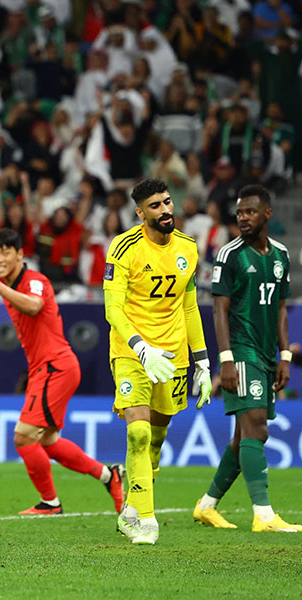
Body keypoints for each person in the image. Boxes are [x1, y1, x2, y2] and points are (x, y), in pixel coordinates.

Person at [0, 229, 125, 517]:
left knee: (24, 437)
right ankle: (109, 476)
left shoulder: (34, 281)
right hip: (46, 369)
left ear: (20, 254)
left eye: (5, 251)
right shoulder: (7, 281)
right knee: (46, 441)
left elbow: (34, 306)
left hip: (55, 367)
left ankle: (50, 503)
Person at [103, 178, 212, 545]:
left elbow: (190, 306)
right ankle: (146, 520)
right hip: (132, 352)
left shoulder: (188, 248)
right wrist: (140, 346)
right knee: (137, 431)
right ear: (140, 213)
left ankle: (132, 508)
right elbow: (113, 309)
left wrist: (203, 362)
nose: (165, 210)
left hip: (174, 356)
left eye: (167, 202)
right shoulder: (123, 247)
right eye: (155, 206)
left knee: (156, 438)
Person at [193, 185, 300, 532]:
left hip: (267, 353)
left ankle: (206, 506)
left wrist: (284, 356)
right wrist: (225, 359)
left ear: (267, 214)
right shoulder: (230, 255)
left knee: (246, 436)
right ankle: (264, 515)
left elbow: (282, 309)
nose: (242, 218)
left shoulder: (281, 255)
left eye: (250, 212)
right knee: (256, 424)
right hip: (241, 350)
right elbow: (219, 309)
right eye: (239, 213)